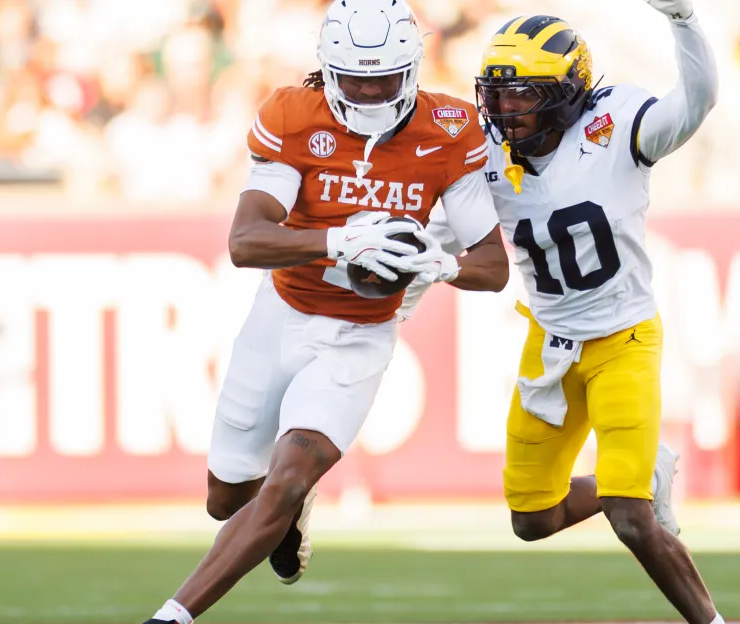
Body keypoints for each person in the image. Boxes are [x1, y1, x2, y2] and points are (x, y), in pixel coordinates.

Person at [141, 0, 510, 621]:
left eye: (383, 79)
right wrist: (341, 240)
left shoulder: (449, 129)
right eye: (354, 79)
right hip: (280, 316)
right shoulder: (294, 115)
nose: (368, 93)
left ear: (412, 69)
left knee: (286, 480)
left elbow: (493, 266)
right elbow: (245, 241)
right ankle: (287, 513)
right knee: (226, 499)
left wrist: (439, 265)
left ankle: (172, 615)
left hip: (360, 334)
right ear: (327, 70)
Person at [435, 1, 723, 622]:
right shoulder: (484, 152)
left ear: (567, 94)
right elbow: (442, 232)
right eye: (497, 94)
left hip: (623, 339)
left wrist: (682, 19)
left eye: (523, 94)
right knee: (531, 518)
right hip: (551, 342)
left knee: (630, 515)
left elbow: (695, 102)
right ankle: (647, 470)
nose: (504, 109)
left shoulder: (613, 127)